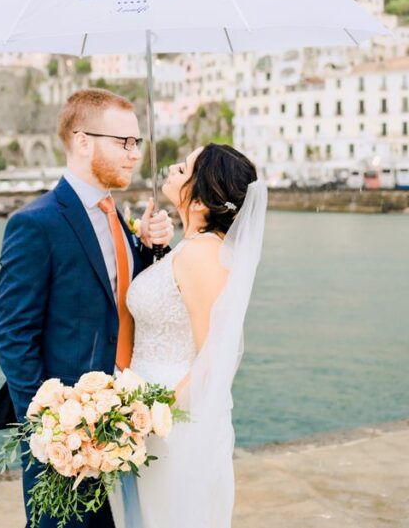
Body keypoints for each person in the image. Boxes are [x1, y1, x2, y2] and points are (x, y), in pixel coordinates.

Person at [0, 88, 174, 528]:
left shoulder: (121, 221)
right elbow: (14, 335)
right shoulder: (36, 223)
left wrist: (152, 249)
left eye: (137, 143)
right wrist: (49, 426)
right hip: (65, 437)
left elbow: (125, 306)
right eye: (123, 142)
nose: (134, 154)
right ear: (83, 140)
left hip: (126, 425)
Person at [110, 143, 266, 528]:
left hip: (173, 422)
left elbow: (213, 358)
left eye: (183, 169)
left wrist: (154, 412)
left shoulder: (203, 256)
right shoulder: (188, 249)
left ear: (200, 201)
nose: (172, 169)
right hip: (148, 413)